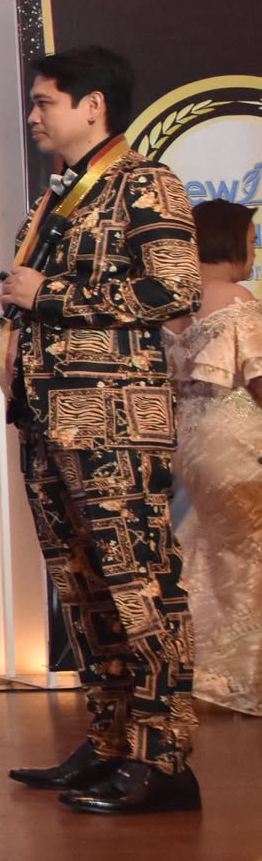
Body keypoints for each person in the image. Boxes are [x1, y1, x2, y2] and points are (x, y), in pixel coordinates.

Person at [0, 46, 202, 814]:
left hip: (115, 425)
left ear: (94, 106)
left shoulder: (145, 183)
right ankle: (111, 740)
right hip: (49, 418)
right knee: (83, 590)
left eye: (45, 101)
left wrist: (48, 293)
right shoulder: (59, 195)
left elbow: (173, 289)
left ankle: (164, 756)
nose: (33, 115)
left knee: (139, 585)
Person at [165, 199, 262, 718]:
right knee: (248, 558)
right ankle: (242, 677)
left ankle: (205, 669)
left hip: (190, 442)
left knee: (212, 554)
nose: (255, 252)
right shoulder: (237, 299)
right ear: (229, 242)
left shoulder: (173, 300)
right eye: (252, 241)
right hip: (237, 442)